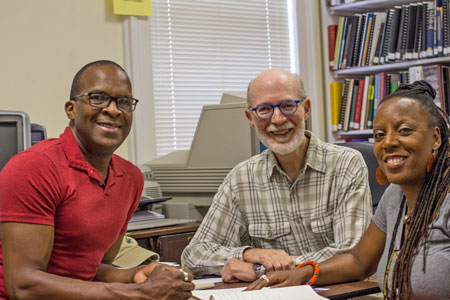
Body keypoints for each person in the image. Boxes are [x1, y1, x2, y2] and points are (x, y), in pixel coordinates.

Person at [0, 60, 194, 300]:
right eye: (98, 98)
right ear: (71, 109)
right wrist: (138, 293)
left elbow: (91, 271)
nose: (113, 110)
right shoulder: (33, 167)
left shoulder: (130, 178)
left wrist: (138, 275)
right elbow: (23, 287)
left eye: (124, 102)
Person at [246, 80, 450, 299]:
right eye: (380, 135)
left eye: (404, 130)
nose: (388, 142)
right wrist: (301, 274)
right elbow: (359, 261)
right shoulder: (395, 196)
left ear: (435, 138)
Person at [181, 69, 372, 282]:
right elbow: (193, 256)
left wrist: (262, 271)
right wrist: (249, 254)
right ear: (250, 117)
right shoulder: (241, 179)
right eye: (264, 109)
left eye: (288, 106)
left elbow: (353, 255)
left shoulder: (346, 164)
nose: (278, 119)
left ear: (306, 109)